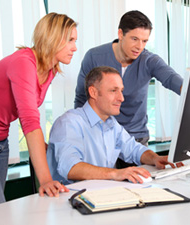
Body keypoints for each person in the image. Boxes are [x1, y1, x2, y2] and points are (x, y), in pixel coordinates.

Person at [0, 12, 77, 210]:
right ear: (53, 37)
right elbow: (29, 119)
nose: (75, 47)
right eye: (70, 40)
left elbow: (25, 111)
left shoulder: (51, 68)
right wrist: (45, 179)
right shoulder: (23, 62)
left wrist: (40, 144)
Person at [47, 66, 178, 185]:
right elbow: (70, 168)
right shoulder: (69, 123)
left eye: (121, 91)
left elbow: (134, 150)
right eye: (113, 90)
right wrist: (115, 173)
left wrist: (155, 158)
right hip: (72, 201)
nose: (121, 98)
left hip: (103, 193)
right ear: (93, 92)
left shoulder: (111, 123)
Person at [74, 10, 183, 147]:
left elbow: (171, 78)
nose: (140, 47)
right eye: (134, 39)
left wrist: (189, 90)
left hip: (135, 138)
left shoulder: (149, 60)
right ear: (120, 34)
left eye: (144, 41)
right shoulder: (94, 56)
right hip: (100, 135)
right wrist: (81, 132)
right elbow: (81, 99)